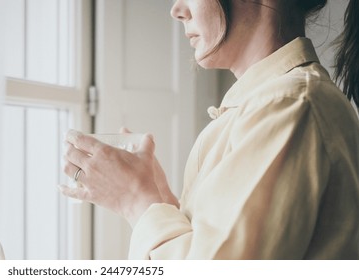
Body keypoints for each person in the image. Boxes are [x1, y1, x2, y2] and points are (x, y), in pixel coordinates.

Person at [60, 0, 359, 259]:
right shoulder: (267, 105)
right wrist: (163, 203)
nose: (176, 10)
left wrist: (137, 200)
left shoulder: (290, 106)